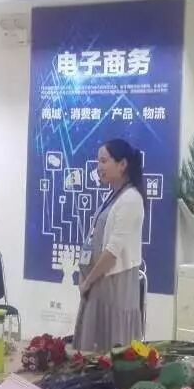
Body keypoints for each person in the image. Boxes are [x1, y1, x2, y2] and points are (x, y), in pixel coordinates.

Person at [75, 138, 146, 351]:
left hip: (114, 284)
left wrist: (88, 281)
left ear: (122, 164)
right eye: (98, 161)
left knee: (111, 348)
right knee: (92, 350)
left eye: (104, 161)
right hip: (97, 281)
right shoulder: (113, 195)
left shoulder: (131, 199)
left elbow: (113, 251)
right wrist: (85, 276)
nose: (99, 167)